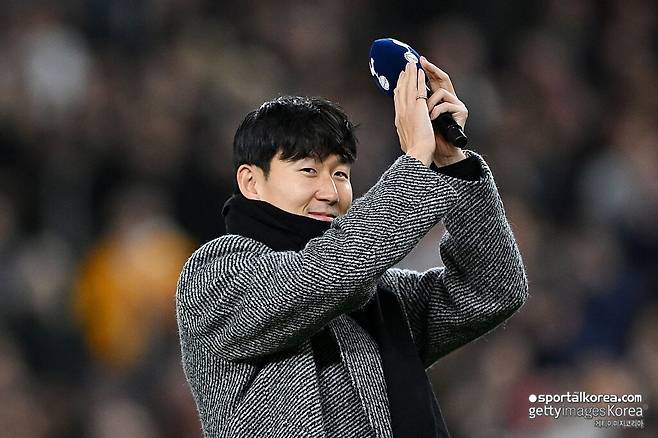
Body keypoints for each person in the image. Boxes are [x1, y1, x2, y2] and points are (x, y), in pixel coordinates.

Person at [176, 58, 528, 437]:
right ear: (251, 182)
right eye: (308, 170)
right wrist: (413, 162)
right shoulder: (212, 275)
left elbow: (492, 291)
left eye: (341, 174)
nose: (330, 192)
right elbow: (325, 274)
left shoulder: (379, 295)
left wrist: (451, 163)